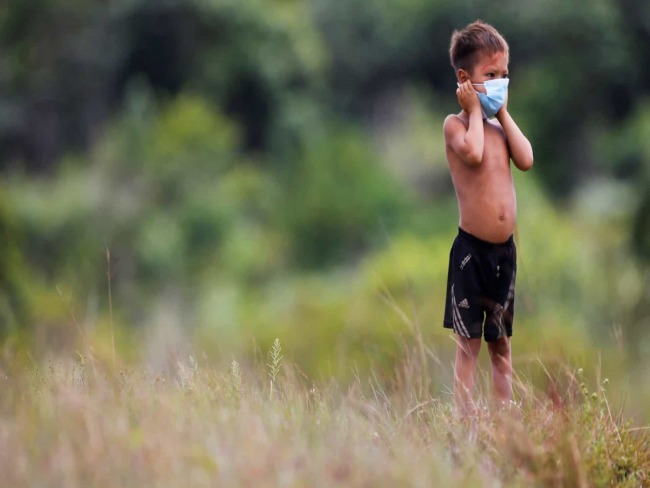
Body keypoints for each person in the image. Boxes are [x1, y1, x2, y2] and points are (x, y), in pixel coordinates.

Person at [442, 20, 534, 415]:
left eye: (504, 76)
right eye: (490, 75)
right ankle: (463, 420)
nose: (500, 82)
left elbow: (527, 160)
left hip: (504, 254)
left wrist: (503, 114)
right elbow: (474, 153)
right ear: (465, 79)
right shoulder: (456, 126)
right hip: (471, 253)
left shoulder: (501, 128)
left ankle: (503, 418)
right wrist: (475, 110)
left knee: (501, 342)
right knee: (470, 343)